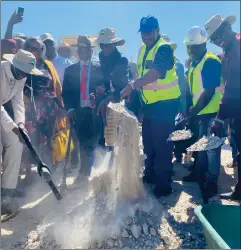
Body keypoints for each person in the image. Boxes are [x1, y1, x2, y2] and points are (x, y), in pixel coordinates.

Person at [120, 16, 181, 198]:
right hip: (150, 106)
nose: (145, 36)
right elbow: (142, 77)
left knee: (162, 146)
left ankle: (163, 186)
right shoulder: (142, 50)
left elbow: (156, 73)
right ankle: (151, 176)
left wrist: (132, 85)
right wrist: (135, 92)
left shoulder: (163, 48)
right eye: (143, 33)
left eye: (148, 32)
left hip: (166, 105)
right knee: (149, 144)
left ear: (157, 30)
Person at [1, 49, 43, 222]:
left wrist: (20, 124)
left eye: (27, 73)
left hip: (2, 114)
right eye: (23, 72)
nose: (24, 75)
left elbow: (18, 101)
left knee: (16, 143)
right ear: (13, 65)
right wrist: (12, 126)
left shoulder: (22, 75)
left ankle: (6, 195)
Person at [182, 26, 223, 198]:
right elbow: (193, 92)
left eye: (193, 47)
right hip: (200, 112)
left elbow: (209, 92)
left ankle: (212, 182)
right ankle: (198, 174)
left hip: (213, 112)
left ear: (202, 44)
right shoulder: (194, 64)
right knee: (200, 145)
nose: (190, 50)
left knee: (212, 149)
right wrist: (191, 111)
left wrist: (194, 111)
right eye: (189, 47)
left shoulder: (210, 61)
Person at [205, 15, 240, 201]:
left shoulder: (238, 46)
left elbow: (234, 83)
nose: (217, 41)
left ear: (227, 27)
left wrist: (219, 117)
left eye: (218, 35)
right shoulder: (227, 50)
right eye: (213, 39)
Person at [22, 36, 66, 182]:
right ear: (27, 49)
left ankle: (49, 175)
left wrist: (60, 106)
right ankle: (30, 176)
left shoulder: (48, 64)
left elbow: (56, 86)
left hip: (50, 111)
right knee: (32, 145)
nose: (38, 52)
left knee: (50, 143)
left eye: (40, 49)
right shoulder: (22, 65)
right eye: (35, 49)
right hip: (30, 113)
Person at [62, 35, 104, 185]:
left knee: (92, 143)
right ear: (77, 52)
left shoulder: (99, 69)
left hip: (95, 112)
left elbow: (105, 88)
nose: (83, 52)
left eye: (86, 50)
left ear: (91, 52)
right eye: (80, 50)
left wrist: (98, 97)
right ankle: (85, 171)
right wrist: (70, 109)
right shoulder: (70, 71)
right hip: (78, 111)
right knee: (82, 142)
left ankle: (85, 173)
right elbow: (65, 92)